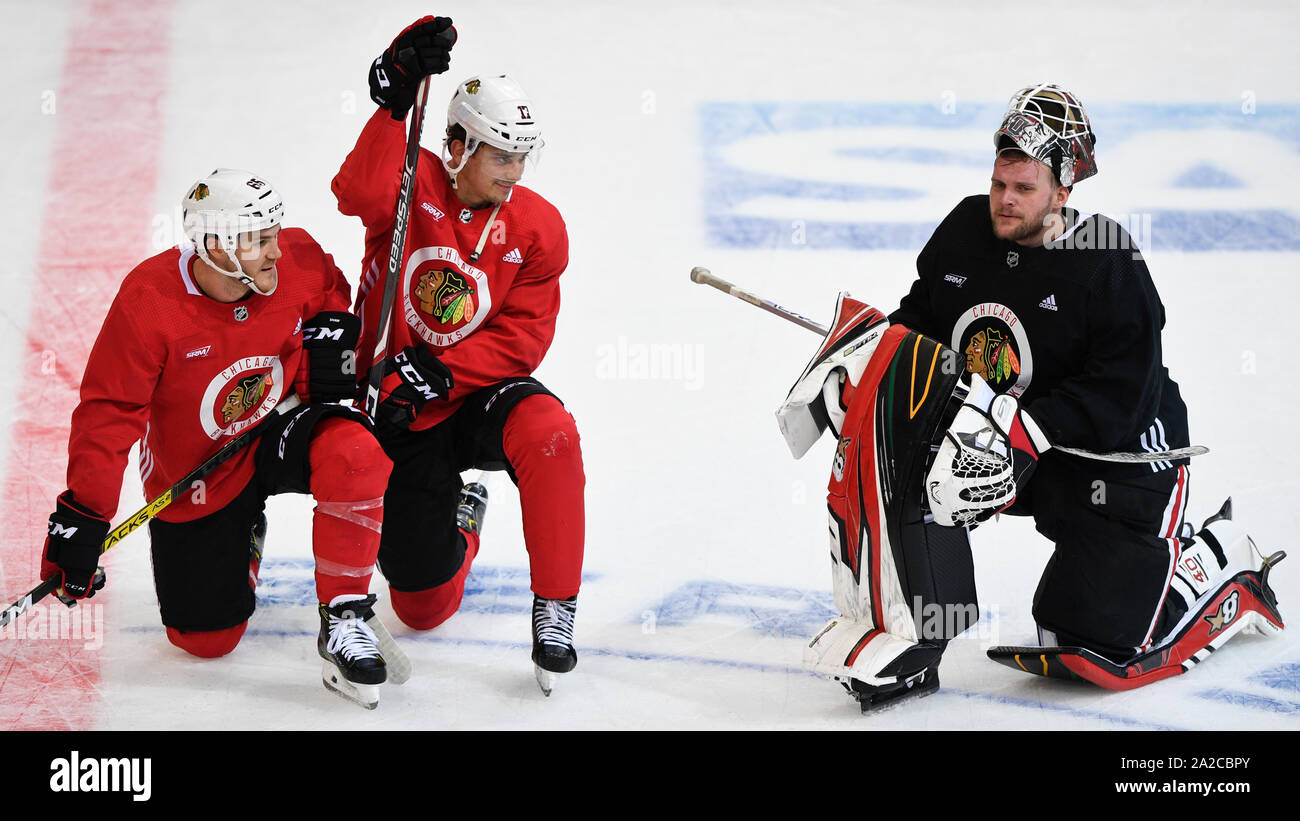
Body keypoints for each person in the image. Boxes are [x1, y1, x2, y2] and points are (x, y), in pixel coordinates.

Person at [888, 84, 1285, 689]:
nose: (1004, 201)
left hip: (1120, 457)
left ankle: (1218, 561)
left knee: (1090, 639)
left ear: (1063, 191)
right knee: (904, 463)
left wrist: (1023, 429)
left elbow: (1123, 394)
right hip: (1008, 445)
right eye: (1000, 184)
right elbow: (920, 321)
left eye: (1024, 189)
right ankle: (910, 637)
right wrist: (874, 358)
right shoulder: (965, 231)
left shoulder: (1107, 260)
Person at [40, 168, 396, 709]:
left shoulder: (297, 258)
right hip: (202, 466)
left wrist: (329, 331)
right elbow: (110, 413)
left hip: (281, 422)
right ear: (216, 246)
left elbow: (328, 289)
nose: (276, 252)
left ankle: (345, 614)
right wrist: (84, 516)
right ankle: (243, 536)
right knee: (202, 641)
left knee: (354, 452)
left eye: (273, 233)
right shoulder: (150, 300)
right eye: (258, 241)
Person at [332, 17, 586, 693]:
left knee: (551, 432)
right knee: (422, 607)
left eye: (522, 157)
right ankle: (463, 521)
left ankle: (556, 608)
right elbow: (353, 193)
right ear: (456, 144)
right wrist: (393, 101)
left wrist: (443, 367)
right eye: (501, 156)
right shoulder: (410, 182)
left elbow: (525, 336)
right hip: (399, 412)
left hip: (472, 396)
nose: (514, 173)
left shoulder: (538, 227)